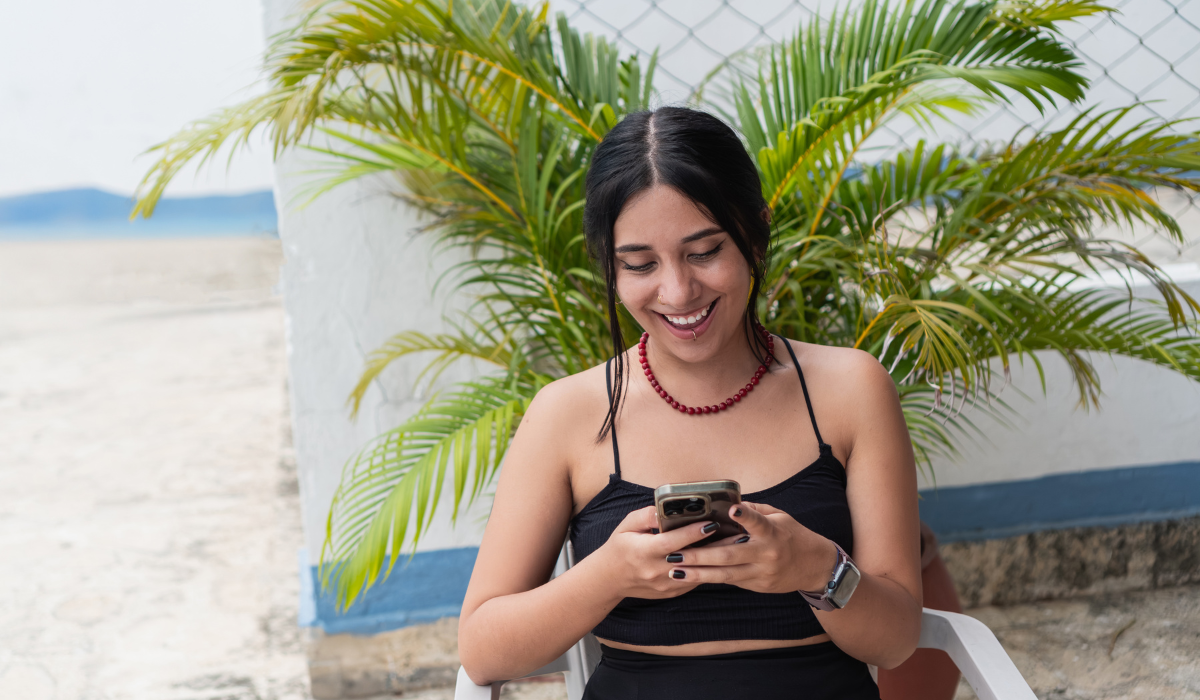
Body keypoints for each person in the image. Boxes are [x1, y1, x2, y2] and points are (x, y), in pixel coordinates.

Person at [458, 106, 922, 699]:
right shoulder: (566, 416)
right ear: (610, 264)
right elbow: (482, 651)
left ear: (755, 233)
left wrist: (816, 570)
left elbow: (898, 638)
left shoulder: (850, 389)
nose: (678, 292)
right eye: (640, 264)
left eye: (704, 252)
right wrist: (609, 576)